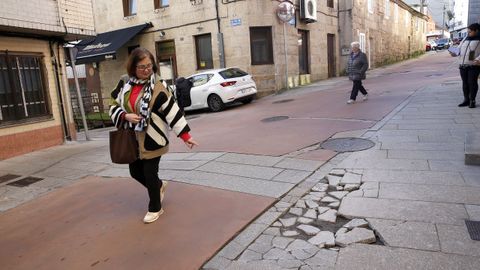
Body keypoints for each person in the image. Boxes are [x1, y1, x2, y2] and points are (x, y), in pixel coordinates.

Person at [109, 47, 198, 224]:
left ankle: (155, 207)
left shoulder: (159, 85)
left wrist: (186, 136)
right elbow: (112, 103)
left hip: (153, 138)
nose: (146, 70)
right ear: (133, 67)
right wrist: (124, 115)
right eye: (142, 67)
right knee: (135, 172)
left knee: (149, 172)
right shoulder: (124, 83)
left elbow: (172, 111)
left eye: (149, 66)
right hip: (132, 139)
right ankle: (158, 186)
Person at [450, 23, 480, 108]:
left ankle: (472, 100)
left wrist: (478, 60)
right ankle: (466, 100)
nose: (468, 33)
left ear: (476, 31)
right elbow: (459, 49)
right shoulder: (465, 39)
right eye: (468, 31)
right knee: (465, 83)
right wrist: (454, 52)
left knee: (472, 83)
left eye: (470, 31)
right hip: (463, 65)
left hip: (474, 66)